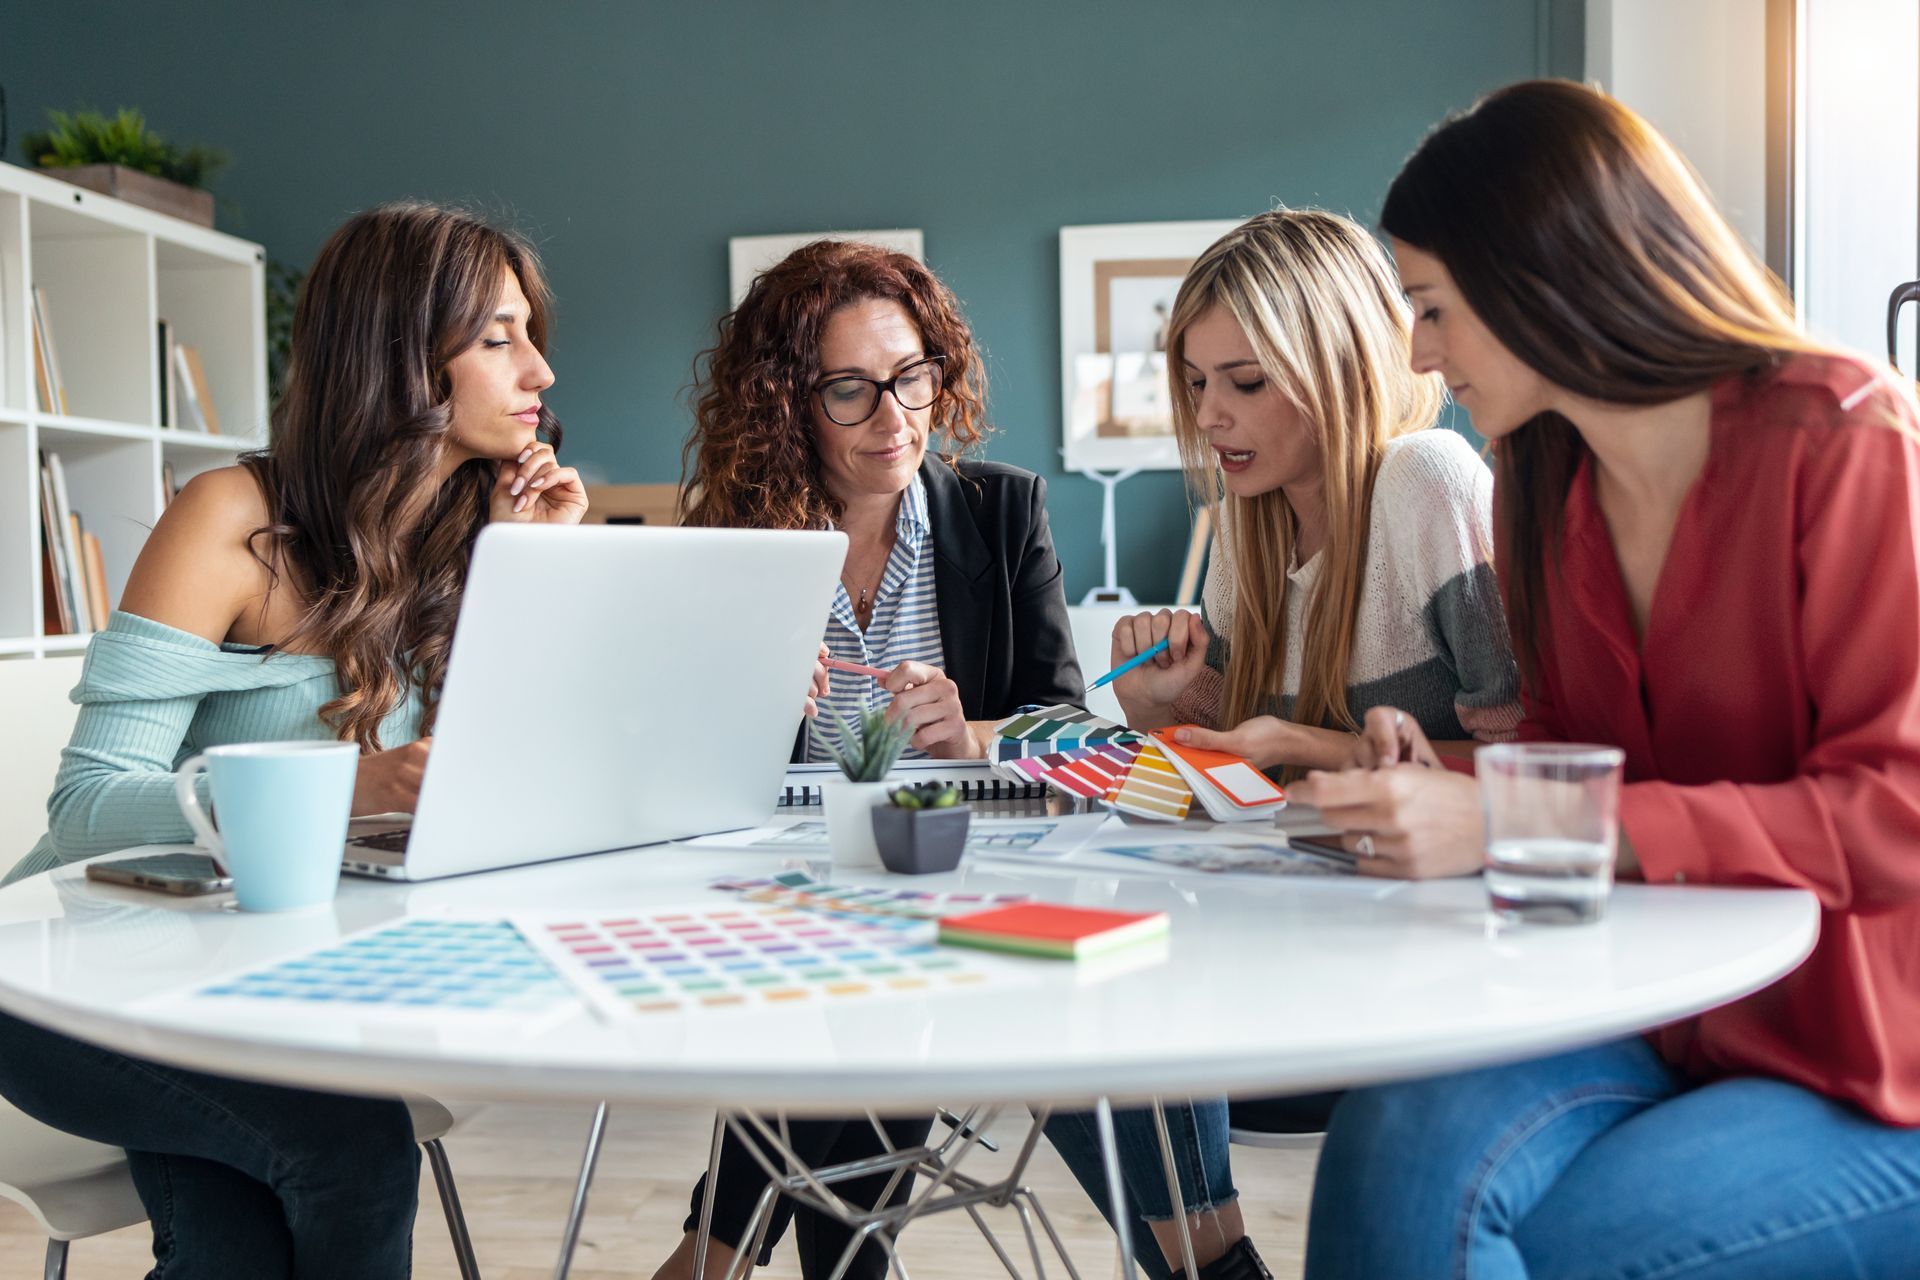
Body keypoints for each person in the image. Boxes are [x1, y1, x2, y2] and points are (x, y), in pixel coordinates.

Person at [1297, 80, 1920, 1278]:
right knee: (1388, 1144)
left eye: (1430, 308)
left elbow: (1894, 813)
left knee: (1561, 1243)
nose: (1418, 355)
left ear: (1541, 268)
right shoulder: (1541, 476)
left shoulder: (1846, 439)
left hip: (1859, 1052)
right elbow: (1574, 748)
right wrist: (1444, 780)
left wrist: (1518, 810)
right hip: (1647, 998)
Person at [0, 201, 586, 1278]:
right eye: (497, 337)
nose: (539, 368)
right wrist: (341, 785)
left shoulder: (472, 540)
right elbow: (84, 808)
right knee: (351, 1153)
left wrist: (525, 577)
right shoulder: (231, 519)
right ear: (399, 358)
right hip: (68, 985)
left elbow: (471, 786)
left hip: (260, 987)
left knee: (235, 1247)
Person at [1042, 209, 1523, 1280]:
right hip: (1297, 933)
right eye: (1198, 380)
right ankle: (1220, 1266)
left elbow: (1540, 772)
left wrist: (1310, 740)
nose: (1211, 413)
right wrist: (1181, 711)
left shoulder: (1427, 481)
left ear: (1340, 359)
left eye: (1247, 381)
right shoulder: (1251, 537)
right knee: (1041, 977)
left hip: (1433, 975)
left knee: (1083, 995)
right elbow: (1257, 781)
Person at [655, 240, 1083, 1280]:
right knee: (836, 1002)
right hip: (785, 893)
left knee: (862, 1001)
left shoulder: (1000, 510)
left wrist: (974, 733)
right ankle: (810, 1262)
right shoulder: (736, 536)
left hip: (949, 875)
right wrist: (748, 706)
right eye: (850, 390)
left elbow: (1068, 724)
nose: (894, 417)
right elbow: (679, 759)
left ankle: (713, 1251)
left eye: (911, 376)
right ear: (789, 402)